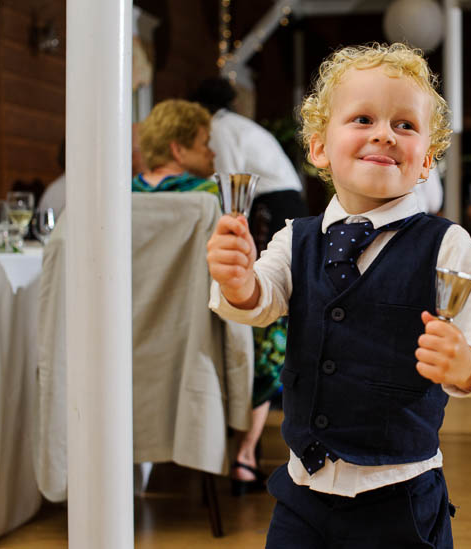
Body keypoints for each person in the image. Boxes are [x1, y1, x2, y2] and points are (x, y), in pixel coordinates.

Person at [206, 43, 471, 547]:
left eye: (405, 125)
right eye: (362, 118)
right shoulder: (296, 238)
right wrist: (237, 281)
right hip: (301, 495)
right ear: (318, 148)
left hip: (398, 501)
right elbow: (260, 298)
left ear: (426, 161)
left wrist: (468, 364)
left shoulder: (447, 245)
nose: (384, 133)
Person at [190, 77, 309, 495]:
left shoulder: (221, 128)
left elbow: (232, 184)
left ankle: (249, 435)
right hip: (281, 202)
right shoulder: (238, 124)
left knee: (268, 298)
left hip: (273, 209)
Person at [132, 99, 218, 195]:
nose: (213, 153)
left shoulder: (128, 191)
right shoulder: (205, 190)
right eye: (205, 144)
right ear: (178, 150)